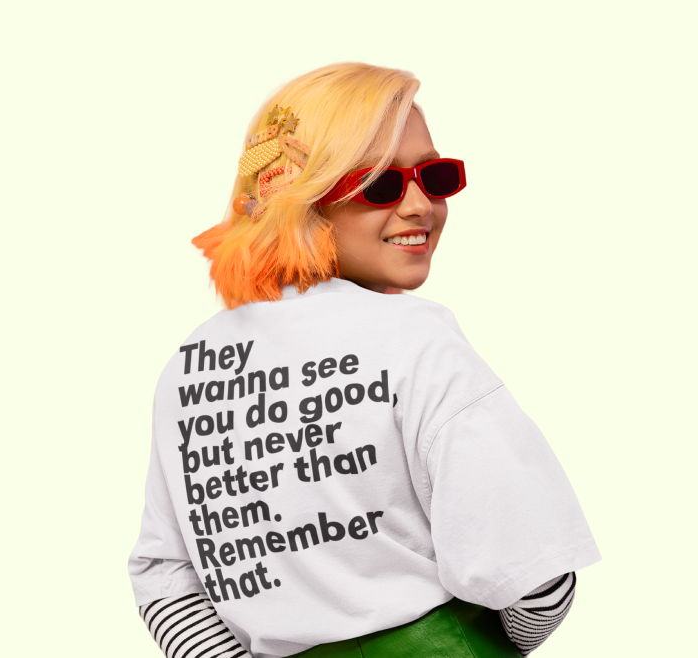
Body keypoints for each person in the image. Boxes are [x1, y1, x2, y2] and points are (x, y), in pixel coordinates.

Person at [128, 64, 596, 658]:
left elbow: (166, 581)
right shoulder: (414, 339)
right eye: (378, 184)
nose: (420, 204)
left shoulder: (191, 367)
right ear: (302, 202)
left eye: (435, 176)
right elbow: (535, 572)